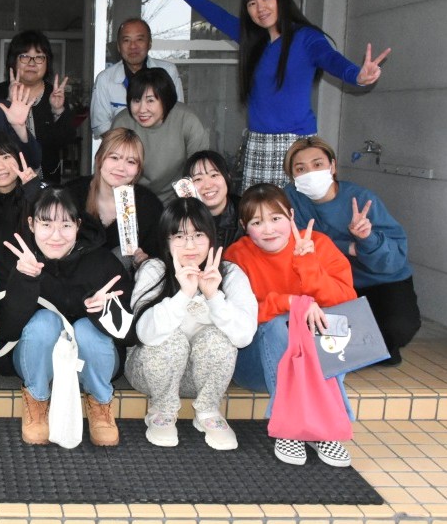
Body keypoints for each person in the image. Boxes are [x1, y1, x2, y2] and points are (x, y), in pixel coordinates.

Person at [157, 0, 391, 189]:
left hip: (296, 144)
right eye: (252, 3)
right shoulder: (252, 39)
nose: (260, 8)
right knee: (257, 210)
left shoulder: (306, 38)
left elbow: (331, 59)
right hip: (257, 142)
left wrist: (357, 75)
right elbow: (217, 15)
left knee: (293, 209)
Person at [225, 184, 357, 467]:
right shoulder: (237, 255)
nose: (269, 229)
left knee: (328, 322)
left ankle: (321, 428)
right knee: (279, 325)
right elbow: (235, 315)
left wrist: (307, 264)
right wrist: (290, 302)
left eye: (276, 218)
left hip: (313, 359)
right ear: (244, 227)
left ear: (291, 216)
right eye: (257, 223)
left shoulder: (318, 244)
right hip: (259, 365)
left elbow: (346, 303)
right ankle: (290, 426)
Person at [0, 187, 132, 446]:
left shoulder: (103, 262)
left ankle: (100, 403)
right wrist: (24, 280)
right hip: (37, 361)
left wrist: (103, 311)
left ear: (78, 225)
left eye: (66, 225)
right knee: (44, 322)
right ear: (31, 224)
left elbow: (130, 334)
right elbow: (6, 331)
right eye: (46, 224)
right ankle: (37, 398)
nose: (56, 236)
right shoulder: (19, 258)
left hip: (89, 364)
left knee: (87, 329)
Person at [118, 199, 256, 450]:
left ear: (211, 237)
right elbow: (144, 334)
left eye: (198, 235)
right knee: (170, 339)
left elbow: (244, 336)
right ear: (167, 240)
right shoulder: (154, 269)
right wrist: (183, 295)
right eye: (180, 236)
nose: (190, 245)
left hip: (201, 380)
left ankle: (208, 411)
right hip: (151, 374)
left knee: (217, 338)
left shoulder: (230, 273)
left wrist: (214, 297)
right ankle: (162, 410)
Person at [283, 136, 420, 365]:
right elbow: (290, 243)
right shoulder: (290, 200)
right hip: (330, 283)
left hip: (378, 280)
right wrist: (348, 247)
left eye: (318, 164)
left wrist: (367, 239)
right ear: (292, 176)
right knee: (300, 326)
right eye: (300, 169)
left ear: (332, 166)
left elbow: (394, 260)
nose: (310, 173)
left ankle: (368, 351)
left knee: (398, 327)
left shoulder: (362, 199)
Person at [63, 128, 163, 269]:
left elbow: (160, 258)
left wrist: (146, 261)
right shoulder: (70, 194)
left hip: (125, 279)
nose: (121, 168)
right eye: (114, 158)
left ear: (138, 169)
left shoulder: (149, 206)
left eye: (131, 162)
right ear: (99, 158)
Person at [0, 31, 77, 183]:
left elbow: (65, 141)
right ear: (13, 61)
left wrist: (57, 110)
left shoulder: (54, 94)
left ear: (47, 62)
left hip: (46, 179)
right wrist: (9, 101)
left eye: (39, 57)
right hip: (6, 179)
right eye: (24, 56)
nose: (32, 63)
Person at [111, 67, 209, 203]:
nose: (142, 110)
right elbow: (111, 171)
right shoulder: (122, 123)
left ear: (166, 100)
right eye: (136, 100)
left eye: (150, 101)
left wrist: (185, 208)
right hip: (132, 198)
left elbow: (199, 172)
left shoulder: (187, 120)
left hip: (176, 198)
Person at [0, 133, 46, 287]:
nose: (0, 167)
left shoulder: (38, 192)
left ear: (18, 158)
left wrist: (33, 191)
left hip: (34, 285)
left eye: (5, 157)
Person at [90, 18, 184, 137]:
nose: (133, 46)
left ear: (149, 43)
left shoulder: (168, 71)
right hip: (123, 147)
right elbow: (101, 126)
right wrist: (128, 145)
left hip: (162, 145)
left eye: (139, 39)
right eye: (126, 40)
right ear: (118, 46)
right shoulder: (105, 79)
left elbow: (177, 115)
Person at [183, 150, 245, 250]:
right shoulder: (181, 219)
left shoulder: (247, 213)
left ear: (228, 177)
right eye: (198, 179)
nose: (208, 185)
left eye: (214, 175)